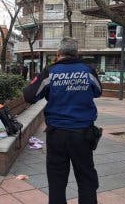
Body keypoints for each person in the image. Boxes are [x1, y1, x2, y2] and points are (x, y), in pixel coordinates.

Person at [23, 37, 102, 204]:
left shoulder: (50, 71)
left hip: (57, 133)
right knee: (86, 178)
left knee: (57, 180)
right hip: (83, 134)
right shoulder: (88, 70)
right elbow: (98, 91)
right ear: (77, 53)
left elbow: (29, 95)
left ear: (58, 54)